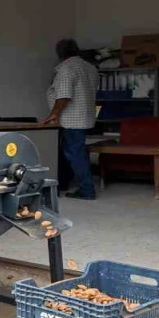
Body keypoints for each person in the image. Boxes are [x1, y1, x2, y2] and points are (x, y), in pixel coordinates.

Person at [42, 38, 100, 200]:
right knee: (69, 152)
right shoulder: (90, 67)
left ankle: (87, 190)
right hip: (85, 116)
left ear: (60, 53)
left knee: (75, 153)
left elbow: (64, 96)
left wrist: (53, 114)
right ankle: (63, 183)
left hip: (71, 119)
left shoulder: (67, 68)